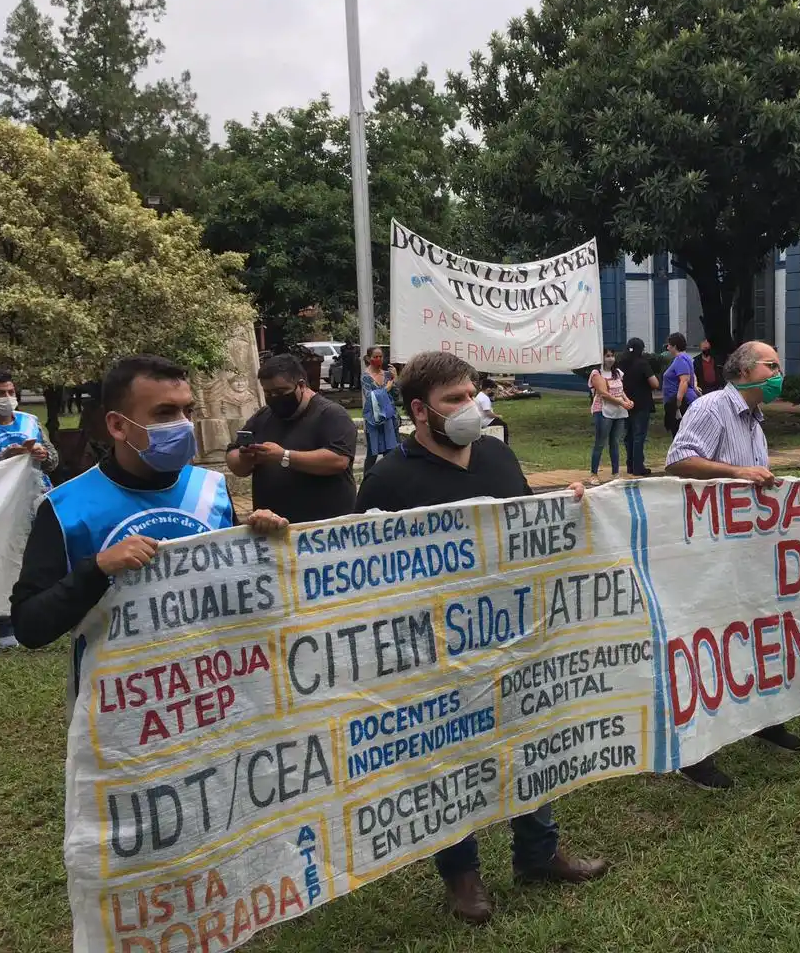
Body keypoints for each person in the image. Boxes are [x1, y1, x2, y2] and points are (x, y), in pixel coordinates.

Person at [354, 351, 606, 924]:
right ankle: (462, 875)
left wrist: (564, 506)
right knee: (450, 759)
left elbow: (527, 525)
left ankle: (539, 853)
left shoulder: (497, 454)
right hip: (436, 650)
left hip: (515, 636)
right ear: (420, 410)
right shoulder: (389, 478)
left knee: (529, 740)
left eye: (472, 394)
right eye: (454, 399)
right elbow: (363, 569)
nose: (471, 406)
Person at [10, 355, 287, 711]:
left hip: (215, 697)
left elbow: (233, 590)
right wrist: (98, 568)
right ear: (117, 425)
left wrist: (257, 544)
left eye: (188, 411)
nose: (184, 425)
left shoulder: (210, 488)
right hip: (124, 710)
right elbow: (29, 626)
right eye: (165, 413)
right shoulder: (66, 508)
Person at [665, 341, 800, 790]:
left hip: (746, 549)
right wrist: (737, 473)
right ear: (744, 370)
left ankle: (762, 720)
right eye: (771, 365)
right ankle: (694, 751)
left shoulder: (755, 420)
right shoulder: (711, 408)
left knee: (756, 635)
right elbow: (678, 461)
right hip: (710, 553)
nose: (779, 373)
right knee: (707, 646)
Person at [0, 368, 60, 649]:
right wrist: (4, 457)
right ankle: (6, 626)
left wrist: (43, 454)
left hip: (38, 498)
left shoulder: (30, 421)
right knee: (4, 561)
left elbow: (54, 461)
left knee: (41, 558)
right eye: (0, 393)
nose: (8, 397)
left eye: (11, 391)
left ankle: (44, 615)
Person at [226, 353, 358, 524]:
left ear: (301, 385)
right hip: (272, 527)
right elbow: (234, 457)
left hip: (322, 528)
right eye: (268, 393)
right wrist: (244, 458)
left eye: (280, 392)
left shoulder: (332, 414)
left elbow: (338, 460)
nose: (275, 398)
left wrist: (284, 456)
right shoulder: (264, 416)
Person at [588, 348, 633, 481]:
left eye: (612, 356)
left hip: (618, 412)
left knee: (615, 442)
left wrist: (627, 400)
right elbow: (604, 394)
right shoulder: (596, 373)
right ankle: (594, 474)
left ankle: (615, 473)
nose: (610, 359)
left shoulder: (617, 372)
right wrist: (621, 402)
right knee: (600, 442)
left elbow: (621, 390)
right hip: (602, 411)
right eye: (607, 356)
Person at [620, 338, 660, 475]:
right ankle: (638, 466)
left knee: (628, 435)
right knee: (639, 435)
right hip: (642, 403)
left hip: (625, 403)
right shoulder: (642, 363)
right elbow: (654, 383)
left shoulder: (621, 364)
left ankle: (630, 465)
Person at [360, 346, 399, 474]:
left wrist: (395, 379)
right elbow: (369, 397)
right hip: (374, 420)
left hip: (389, 418)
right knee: (372, 454)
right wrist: (385, 390)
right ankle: (367, 480)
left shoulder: (387, 375)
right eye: (375, 357)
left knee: (391, 452)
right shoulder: (366, 377)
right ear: (369, 358)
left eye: (380, 357)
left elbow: (396, 396)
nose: (378, 359)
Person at [661, 333, 698, 435]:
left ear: (675, 346)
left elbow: (684, 381)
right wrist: (695, 386)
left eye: (669, 345)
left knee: (679, 433)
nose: (667, 348)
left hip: (682, 403)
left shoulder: (680, 359)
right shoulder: (686, 358)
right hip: (679, 401)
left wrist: (677, 403)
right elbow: (692, 375)